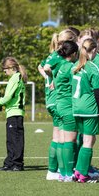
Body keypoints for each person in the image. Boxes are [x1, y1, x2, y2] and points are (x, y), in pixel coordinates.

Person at [38, 29, 78, 180]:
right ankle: (64, 171)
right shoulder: (60, 57)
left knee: (58, 136)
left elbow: (41, 66)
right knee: (63, 137)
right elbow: (46, 68)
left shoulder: (54, 54)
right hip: (59, 100)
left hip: (52, 100)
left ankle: (54, 171)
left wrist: (49, 79)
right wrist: (51, 78)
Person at [72, 38, 99, 183]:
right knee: (88, 141)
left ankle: (77, 171)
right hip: (89, 108)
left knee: (82, 139)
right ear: (93, 51)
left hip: (76, 108)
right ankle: (83, 174)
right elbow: (98, 93)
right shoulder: (93, 68)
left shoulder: (74, 66)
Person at [53, 40, 79, 182]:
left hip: (59, 105)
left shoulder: (60, 66)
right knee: (70, 140)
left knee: (62, 140)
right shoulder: (71, 67)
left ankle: (63, 173)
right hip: (68, 107)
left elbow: (55, 85)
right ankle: (68, 173)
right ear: (74, 53)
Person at [0, 57, 27, 171]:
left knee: (16, 140)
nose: (4, 72)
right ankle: (9, 162)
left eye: (5, 69)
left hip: (15, 114)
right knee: (11, 140)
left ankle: (17, 164)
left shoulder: (15, 78)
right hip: (12, 114)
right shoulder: (15, 78)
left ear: (11, 68)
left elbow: (8, 97)